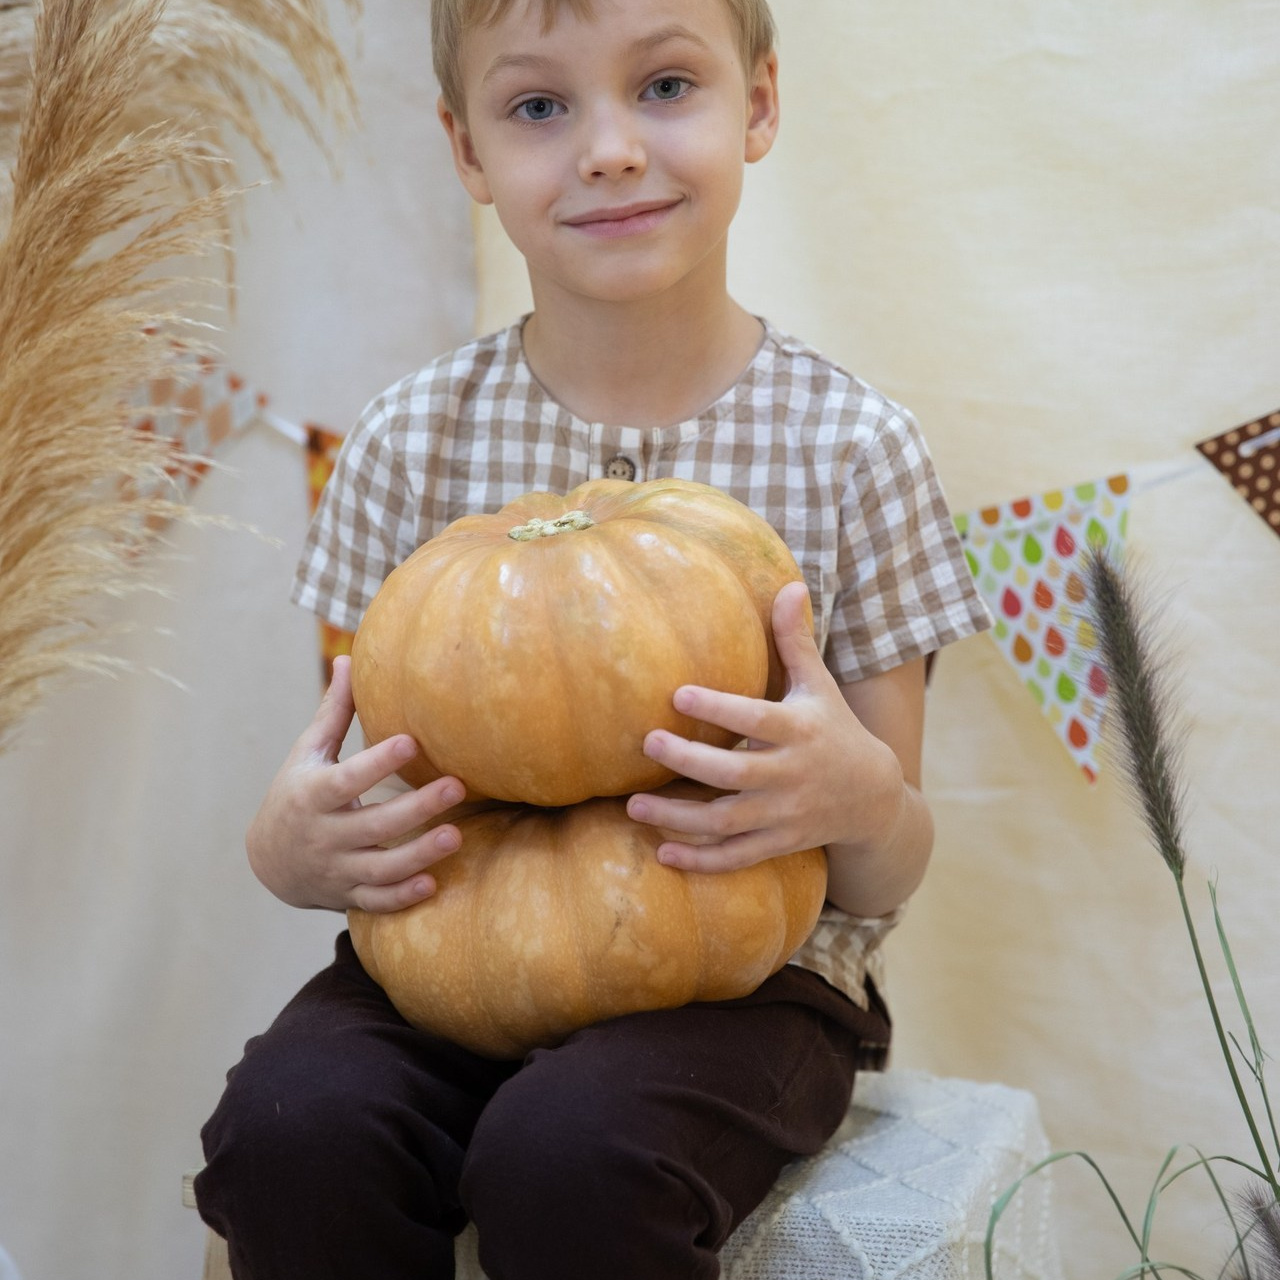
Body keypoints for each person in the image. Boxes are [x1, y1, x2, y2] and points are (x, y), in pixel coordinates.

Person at [195, 0, 992, 1276]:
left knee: (571, 1152)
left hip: (750, 977)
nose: (609, 148)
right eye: (538, 107)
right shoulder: (409, 444)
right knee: (289, 1128)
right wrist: (290, 847)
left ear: (762, 104)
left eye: (666, 85)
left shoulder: (852, 449)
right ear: (467, 155)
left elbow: (879, 871)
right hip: (454, 955)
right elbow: (366, 781)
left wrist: (849, 793)